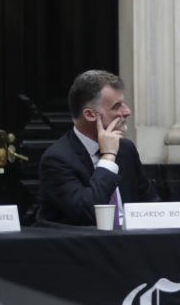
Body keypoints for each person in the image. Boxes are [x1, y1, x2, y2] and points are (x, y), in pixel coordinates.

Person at [38, 70, 159, 226]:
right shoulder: (57, 159)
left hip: (130, 242)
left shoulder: (126, 149)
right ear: (90, 115)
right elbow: (87, 213)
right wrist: (108, 157)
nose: (127, 111)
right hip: (84, 246)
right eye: (116, 106)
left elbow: (150, 203)